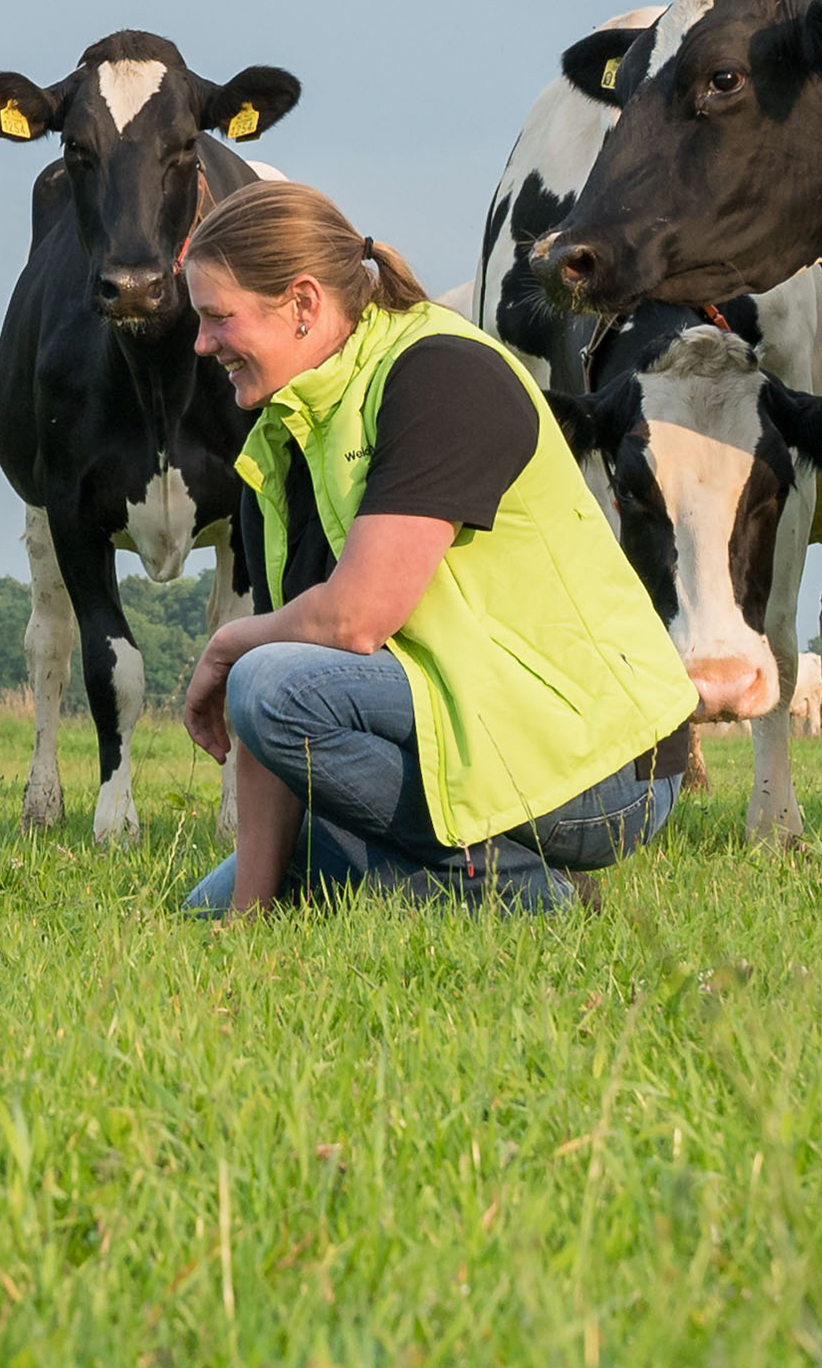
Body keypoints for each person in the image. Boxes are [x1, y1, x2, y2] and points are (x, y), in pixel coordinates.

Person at [178, 182, 696, 915]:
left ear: (300, 303)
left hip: (601, 768)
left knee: (267, 684)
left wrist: (228, 645)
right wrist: (246, 919)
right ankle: (433, 871)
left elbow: (355, 618)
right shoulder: (283, 434)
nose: (201, 344)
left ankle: (527, 895)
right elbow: (280, 687)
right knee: (210, 903)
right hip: (468, 726)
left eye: (215, 318)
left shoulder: (438, 375)